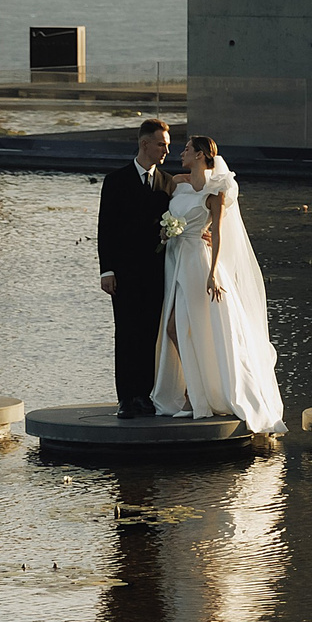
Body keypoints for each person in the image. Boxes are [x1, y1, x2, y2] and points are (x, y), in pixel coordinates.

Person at [149, 134, 283, 432]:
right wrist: (165, 233)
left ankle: (195, 394)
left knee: (186, 326)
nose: (180, 153)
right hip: (175, 257)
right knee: (176, 327)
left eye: (185, 149)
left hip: (198, 260)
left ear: (199, 155)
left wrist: (213, 273)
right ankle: (193, 391)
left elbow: (219, 232)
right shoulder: (179, 182)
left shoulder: (216, 190)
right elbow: (169, 214)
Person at [96, 118, 173, 418]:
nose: (166, 150)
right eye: (161, 144)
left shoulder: (168, 182)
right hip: (124, 274)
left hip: (158, 272)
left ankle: (147, 395)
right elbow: (106, 229)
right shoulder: (115, 181)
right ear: (144, 144)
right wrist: (107, 271)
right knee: (126, 334)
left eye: (166, 145)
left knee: (151, 335)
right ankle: (126, 398)